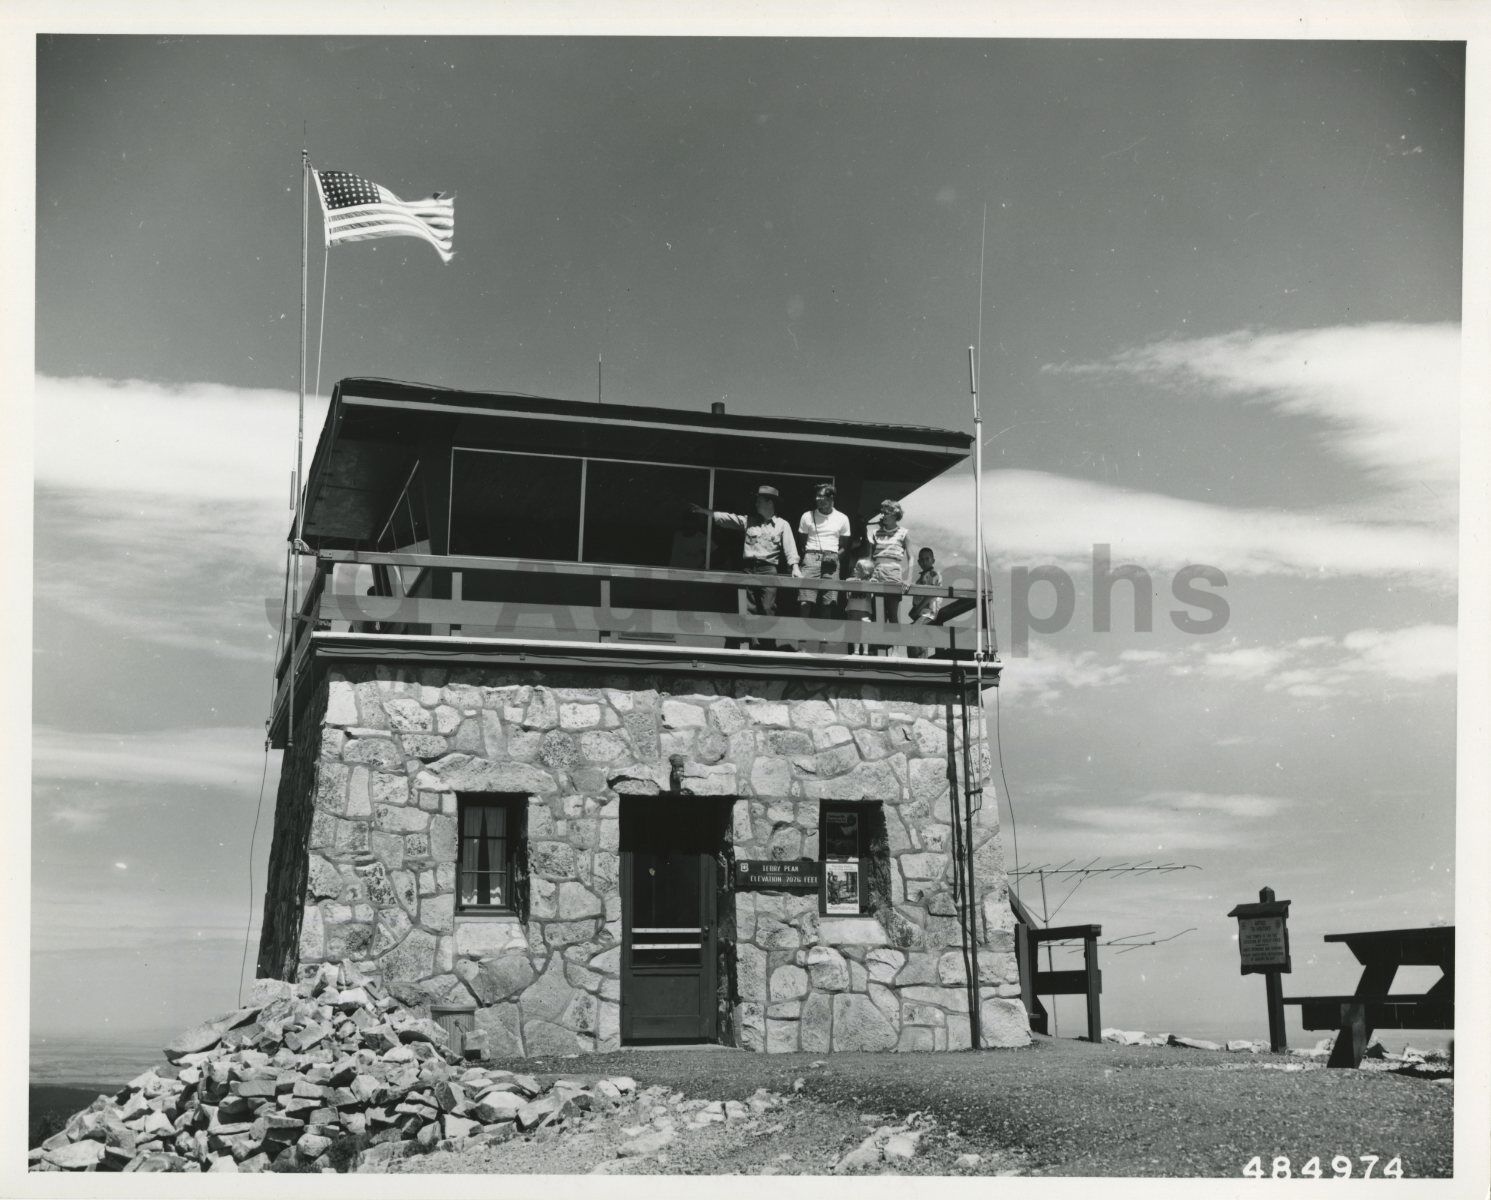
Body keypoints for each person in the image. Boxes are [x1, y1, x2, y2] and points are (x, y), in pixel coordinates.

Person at [691, 485, 800, 647]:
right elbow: (729, 518)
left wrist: (795, 566)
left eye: (759, 501)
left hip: (768, 569)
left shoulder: (782, 525)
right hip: (749, 569)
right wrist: (705, 511)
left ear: (770, 503)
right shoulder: (749, 521)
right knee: (749, 608)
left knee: (767, 607)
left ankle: (767, 645)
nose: (756, 504)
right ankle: (754, 644)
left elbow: (790, 548)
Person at [796, 482, 852, 619]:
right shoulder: (807, 516)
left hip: (832, 560)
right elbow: (802, 542)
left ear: (831, 498)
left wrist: (835, 557)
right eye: (817, 496)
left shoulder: (842, 518)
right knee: (805, 599)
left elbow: (844, 546)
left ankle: (824, 638)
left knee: (829, 600)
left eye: (821, 496)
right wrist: (811, 556)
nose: (817, 499)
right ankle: (802, 636)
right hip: (811, 557)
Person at [868, 500, 911, 625]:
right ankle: (878, 644)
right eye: (882, 513)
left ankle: (894, 644)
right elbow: (870, 558)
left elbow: (911, 557)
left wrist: (908, 579)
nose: (883, 516)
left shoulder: (903, 533)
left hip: (893, 574)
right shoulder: (875, 533)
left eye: (886, 513)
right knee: (876, 614)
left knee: (892, 614)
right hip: (877, 573)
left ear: (894, 515)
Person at [906, 546, 943, 658]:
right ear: (918, 562)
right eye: (921, 559)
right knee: (908, 631)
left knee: (916, 630)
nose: (924, 562)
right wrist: (914, 610)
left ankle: (922, 659)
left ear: (933, 560)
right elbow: (917, 600)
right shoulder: (919, 579)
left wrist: (918, 608)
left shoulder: (933, 574)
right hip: (921, 613)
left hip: (930, 612)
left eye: (927, 559)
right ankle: (913, 659)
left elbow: (929, 594)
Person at [842, 537, 875, 654]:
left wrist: (868, 580)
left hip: (864, 611)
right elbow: (847, 581)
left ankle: (865, 652)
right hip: (852, 610)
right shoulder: (851, 579)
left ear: (864, 572)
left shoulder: (870, 582)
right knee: (855, 631)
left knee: (865, 631)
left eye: (857, 568)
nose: (854, 569)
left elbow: (874, 583)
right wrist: (856, 579)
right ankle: (856, 651)